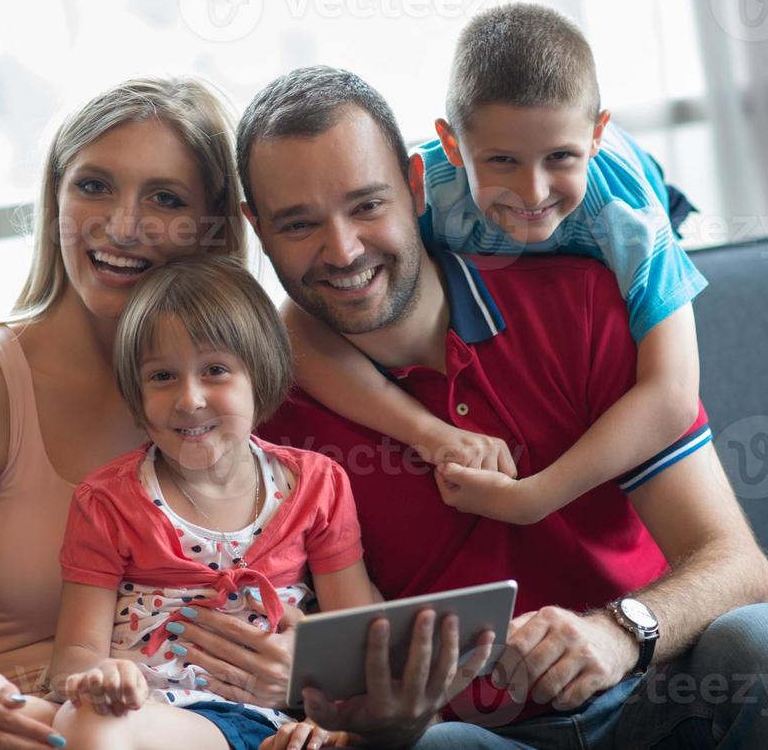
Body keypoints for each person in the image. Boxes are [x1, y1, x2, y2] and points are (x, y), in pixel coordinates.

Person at [169, 65, 768, 748]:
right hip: (477, 737)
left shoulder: (582, 309)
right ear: (256, 229)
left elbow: (737, 563)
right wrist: (363, 710)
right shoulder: (265, 418)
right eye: (299, 224)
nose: (343, 249)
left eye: (367, 205)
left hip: (656, 694)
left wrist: (619, 633)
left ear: (415, 186)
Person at [0, 77, 249, 750]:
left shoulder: (237, 389)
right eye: (93, 186)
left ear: (213, 228)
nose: (121, 225)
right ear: (55, 195)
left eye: (165, 199)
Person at [36, 255, 484, 750]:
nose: (189, 399)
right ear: (136, 394)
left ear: (260, 375)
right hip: (148, 716)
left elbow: (355, 641)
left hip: (265, 720)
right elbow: (74, 656)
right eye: (161, 377)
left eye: (215, 370)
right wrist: (100, 679)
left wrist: (330, 726)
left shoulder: (316, 484)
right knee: (85, 724)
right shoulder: (107, 501)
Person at [283, 4, 706, 526]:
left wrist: (534, 497)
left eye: (561, 157)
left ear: (597, 134)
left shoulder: (628, 219)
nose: (533, 191)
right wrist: (426, 432)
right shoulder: (428, 190)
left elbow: (673, 396)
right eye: (502, 160)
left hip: (634, 217)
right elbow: (297, 323)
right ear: (452, 144)